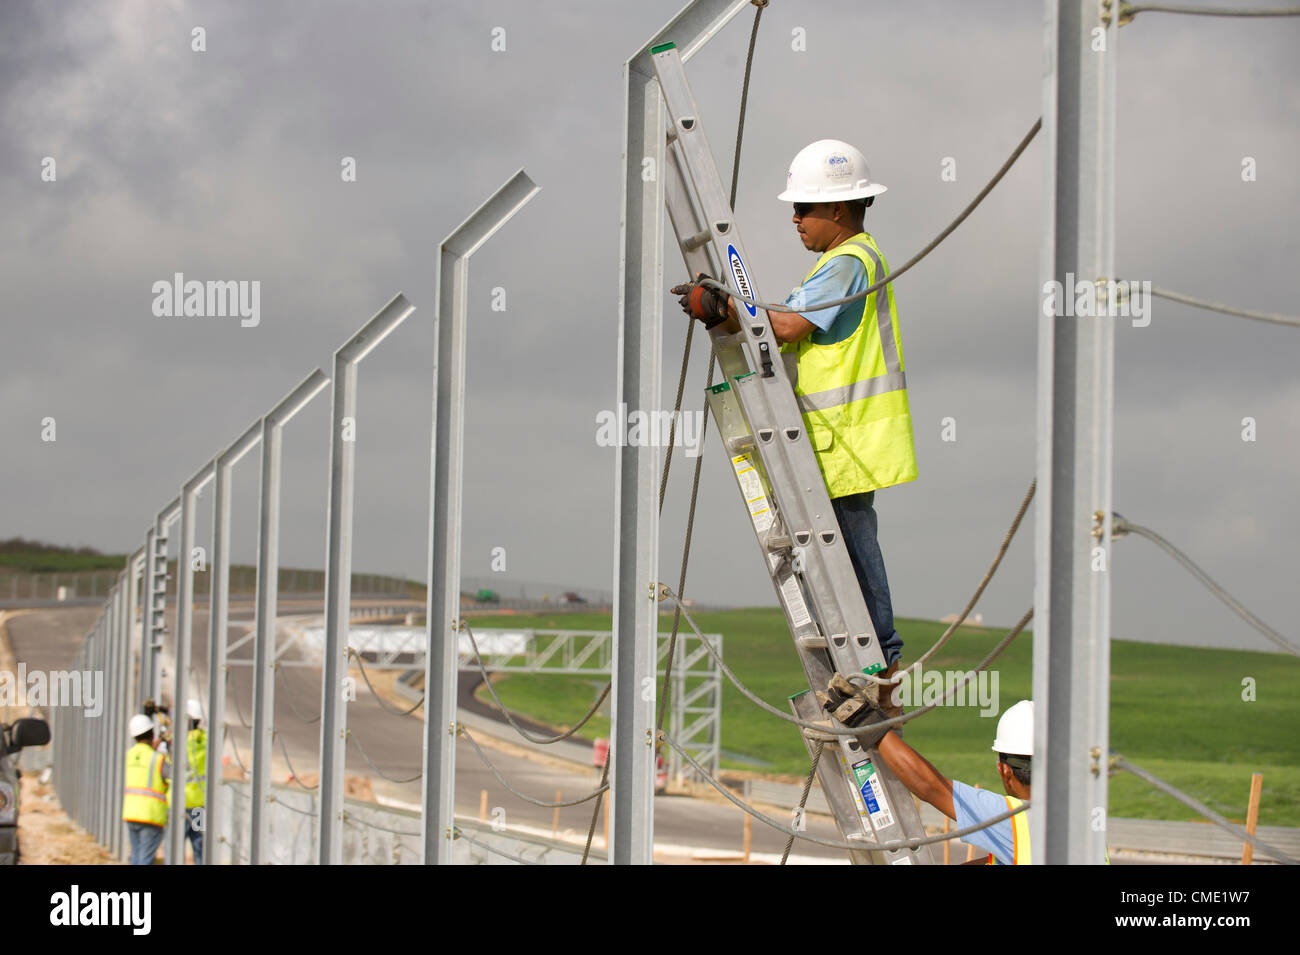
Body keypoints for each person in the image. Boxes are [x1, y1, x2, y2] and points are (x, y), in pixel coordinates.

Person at [674, 140, 917, 707]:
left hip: (846, 439)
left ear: (837, 209)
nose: (795, 219)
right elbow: (784, 316)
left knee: (853, 547)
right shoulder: (842, 265)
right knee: (844, 548)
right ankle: (868, 661)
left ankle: (879, 664)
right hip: (836, 439)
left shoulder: (849, 263)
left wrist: (724, 309)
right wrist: (730, 306)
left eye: (804, 209)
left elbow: (784, 326)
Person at [875, 699, 1034, 865]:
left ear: (1004, 770)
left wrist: (864, 720)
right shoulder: (1059, 815)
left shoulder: (1012, 817)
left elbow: (931, 787)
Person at [123, 713, 170, 865]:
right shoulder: (158, 758)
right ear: (152, 733)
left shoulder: (130, 755)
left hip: (131, 813)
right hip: (151, 814)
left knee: (136, 857)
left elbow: (144, 755)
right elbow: (169, 776)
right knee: (145, 859)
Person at [182, 698, 206, 864]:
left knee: (175, 847)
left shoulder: (179, 741)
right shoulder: (206, 740)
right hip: (200, 804)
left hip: (181, 803)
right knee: (199, 846)